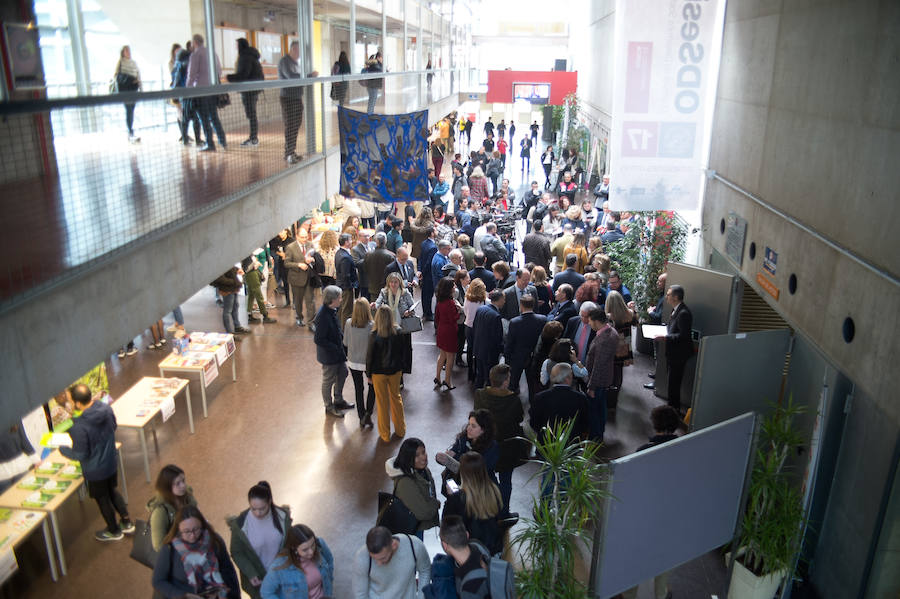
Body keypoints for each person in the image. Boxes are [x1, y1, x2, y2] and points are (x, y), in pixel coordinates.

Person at [620, 406, 681, 599]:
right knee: (663, 556)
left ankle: (629, 594)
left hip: (645, 513)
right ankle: (661, 593)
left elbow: (635, 484)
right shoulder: (685, 449)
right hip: (670, 514)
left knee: (637, 555)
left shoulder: (644, 451)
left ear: (655, 425)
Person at [60, 384, 133, 541]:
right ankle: (127, 522)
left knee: (102, 499)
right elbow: (113, 426)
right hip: (110, 462)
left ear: (78, 404)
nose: (69, 403)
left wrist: (63, 450)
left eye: (70, 401)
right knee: (112, 491)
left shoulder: (79, 426)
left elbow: (81, 454)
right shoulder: (105, 408)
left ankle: (113, 531)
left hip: (95, 470)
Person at [153, 505, 240, 599]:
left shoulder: (214, 540)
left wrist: (223, 590)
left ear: (202, 525)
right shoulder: (169, 549)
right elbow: (158, 581)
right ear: (178, 530)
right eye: (186, 531)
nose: (192, 536)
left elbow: (228, 570)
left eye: (196, 529)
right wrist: (183, 595)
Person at [473, 364, 526, 511]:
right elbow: (519, 418)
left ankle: (485, 509)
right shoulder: (513, 400)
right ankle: (504, 512)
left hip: (485, 445)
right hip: (507, 447)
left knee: (486, 477)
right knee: (505, 481)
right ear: (505, 382)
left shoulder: (479, 394)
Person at [227, 482, 292, 599]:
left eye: (262, 508)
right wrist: (251, 573)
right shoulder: (240, 524)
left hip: (283, 575)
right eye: (253, 509)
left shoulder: (282, 517)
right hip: (259, 581)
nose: (258, 513)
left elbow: (291, 543)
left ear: (269, 502)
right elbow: (237, 552)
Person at [442, 454, 505, 556]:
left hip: (469, 552)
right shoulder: (494, 490)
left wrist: (450, 498)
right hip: (493, 549)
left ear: (463, 473)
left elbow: (448, 525)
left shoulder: (458, 498)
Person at [353, 525, 431, 599]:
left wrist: (422, 596)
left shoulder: (413, 545)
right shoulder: (362, 557)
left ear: (394, 546)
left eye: (382, 558)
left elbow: (425, 570)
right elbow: (360, 595)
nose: (378, 563)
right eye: (374, 558)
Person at [366, 305, 408, 442]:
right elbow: (404, 352)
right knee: (396, 398)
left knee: (382, 403)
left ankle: (385, 434)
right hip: (395, 371)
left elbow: (369, 357)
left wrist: (368, 374)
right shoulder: (399, 331)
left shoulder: (374, 335)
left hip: (378, 373)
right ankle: (400, 430)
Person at [260, 524, 334, 599]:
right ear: (294, 548)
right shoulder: (279, 567)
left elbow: (329, 560)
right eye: (305, 550)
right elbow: (266, 592)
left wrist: (329, 579)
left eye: (312, 545)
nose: (311, 552)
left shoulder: (320, 544)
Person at [313, 285, 355, 418]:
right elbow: (319, 339)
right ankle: (329, 406)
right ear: (332, 300)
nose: (341, 299)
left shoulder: (332, 310)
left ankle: (338, 399)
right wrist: (335, 347)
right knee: (328, 380)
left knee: (343, 372)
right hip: (329, 356)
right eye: (339, 297)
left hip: (337, 353)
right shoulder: (322, 316)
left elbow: (336, 330)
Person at [386, 438, 441, 537]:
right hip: (412, 529)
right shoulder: (405, 483)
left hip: (420, 525)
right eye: (416, 456)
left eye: (423, 452)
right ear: (408, 458)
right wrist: (436, 504)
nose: (423, 457)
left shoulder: (424, 470)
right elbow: (423, 513)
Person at [437, 410, 500, 492]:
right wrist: (446, 457)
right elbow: (455, 450)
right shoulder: (464, 438)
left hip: (478, 490)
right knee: (453, 502)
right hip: (457, 482)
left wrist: (452, 460)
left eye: (473, 426)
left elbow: (476, 472)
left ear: (484, 430)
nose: (468, 429)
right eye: (469, 424)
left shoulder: (491, 448)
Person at [529, 363, 590, 444]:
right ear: (567, 378)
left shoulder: (540, 397)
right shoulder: (580, 398)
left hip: (546, 444)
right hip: (571, 444)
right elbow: (586, 423)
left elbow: (534, 422)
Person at [585, 308, 620, 442]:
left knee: (595, 409)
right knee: (601, 406)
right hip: (604, 378)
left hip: (599, 380)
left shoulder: (605, 338)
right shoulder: (608, 330)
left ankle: (596, 435)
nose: (589, 324)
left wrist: (591, 386)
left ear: (596, 321)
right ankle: (599, 431)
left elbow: (599, 365)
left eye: (590, 321)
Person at [187, 34, 226, 152]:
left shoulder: (195, 55)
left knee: (203, 118)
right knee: (214, 117)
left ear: (194, 43)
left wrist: (187, 90)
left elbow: (191, 74)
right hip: (212, 90)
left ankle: (210, 143)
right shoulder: (212, 53)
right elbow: (219, 70)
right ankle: (222, 140)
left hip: (201, 92)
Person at [657, 285, 693, 412]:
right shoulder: (676, 310)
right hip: (673, 353)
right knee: (672, 382)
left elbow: (683, 336)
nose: (666, 297)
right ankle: (671, 407)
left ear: (676, 297)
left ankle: (673, 409)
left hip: (679, 355)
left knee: (674, 383)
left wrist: (666, 337)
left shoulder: (683, 313)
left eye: (668, 294)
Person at [504, 295, 547, 397]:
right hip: (535, 358)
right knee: (533, 385)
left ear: (521, 306)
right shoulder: (542, 319)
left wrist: (507, 358)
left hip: (517, 357)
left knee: (513, 385)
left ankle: (512, 407)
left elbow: (510, 342)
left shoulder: (515, 322)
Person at [148, 464, 198, 551]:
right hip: (177, 551)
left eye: (183, 481)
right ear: (167, 487)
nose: (183, 486)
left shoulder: (188, 495)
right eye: (177, 484)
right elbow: (158, 546)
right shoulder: (160, 512)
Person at [345, 298, 377, 429]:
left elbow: (346, 342)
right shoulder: (372, 325)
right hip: (368, 364)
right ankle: (369, 413)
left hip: (353, 363)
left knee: (359, 389)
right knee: (372, 388)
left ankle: (361, 416)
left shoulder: (348, 323)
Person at [226, 38, 264, 146]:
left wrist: (229, 78)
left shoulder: (245, 57)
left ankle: (253, 138)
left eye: (236, 45)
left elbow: (243, 74)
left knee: (251, 114)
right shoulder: (251, 55)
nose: (235, 47)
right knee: (252, 114)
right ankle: (253, 137)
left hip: (249, 91)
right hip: (254, 90)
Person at [605, 290, 637, 409]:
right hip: (625, 347)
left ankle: (609, 395)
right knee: (619, 372)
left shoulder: (608, 317)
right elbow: (636, 322)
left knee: (611, 371)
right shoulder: (629, 314)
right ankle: (616, 393)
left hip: (612, 347)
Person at [278, 42, 306, 164]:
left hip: (297, 97)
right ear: (293, 49)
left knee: (296, 125)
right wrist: (308, 76)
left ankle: (291, 151)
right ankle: (288, 153)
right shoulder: (284, 62)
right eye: (299, 51)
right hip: (288, 98)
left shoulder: (296, 63)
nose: (299, 55)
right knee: (290, 125)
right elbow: (291, 76)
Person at [471, 290, 505, 389]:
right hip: (489, 354)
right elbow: (497, 339)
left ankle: (478, 397)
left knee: (480, 376)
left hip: (478, 349)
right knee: (490, 379)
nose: (504, 301)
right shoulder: (496, 316)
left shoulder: (480, 309)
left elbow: (474, 327)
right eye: (503, 299)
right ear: (499, 300)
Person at [283, 229, 317, 328]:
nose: (305, 239)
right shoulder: (290, 247)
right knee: (298, 301)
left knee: (310, 301)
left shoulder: (310, 244)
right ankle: (299, 317)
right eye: (302, 237)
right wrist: (299, 265)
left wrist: (313, 260)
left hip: (309, 278)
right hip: (296, 278)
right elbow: (287, 263)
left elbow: (315, 258)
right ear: (297, 237)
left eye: (306, 237)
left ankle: (311, 322)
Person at [434, 277, 462, 391]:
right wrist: (459, 311)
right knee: (450, 358)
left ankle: (437, 377)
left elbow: (437, 318)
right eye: (453, 286)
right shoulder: (450, 303)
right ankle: (448, 380)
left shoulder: (439, 300)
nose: (455, 287)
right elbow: (453, 318)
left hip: (441, 329)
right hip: (450, 331)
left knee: (442, 355)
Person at [0, 422, 40, 494]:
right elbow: (23, 440)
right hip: (6, 472)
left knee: (26, 496)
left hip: (19, 467)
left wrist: (37, 460)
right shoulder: (11, 415)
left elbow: (23, 439)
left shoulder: (12, 416)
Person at [114, 45, 141, 142]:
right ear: (123, 52)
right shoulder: (121, 62)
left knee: (131, 110)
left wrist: (140, 86)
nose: (128, 52)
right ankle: (130, 130)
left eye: (129, 50)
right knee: (129, 110)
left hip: (133, 89)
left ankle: (130, 130)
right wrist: (129, 80)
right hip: (125, 90)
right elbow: (117, 76)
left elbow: (138, 75)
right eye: (126, 51)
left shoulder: (133, 63)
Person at [463, 278, 487, 383]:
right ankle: (478, 372)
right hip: (479, 328)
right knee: (478, 351)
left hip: (468, 326)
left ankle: (470, 373)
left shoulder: (467, 298)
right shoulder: (483, 301)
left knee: (470, 349)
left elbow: (465, 311)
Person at [336, 232, 359, 324]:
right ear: (346, 242)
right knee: (346, 309)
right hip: (346, 288)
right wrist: (351, 286)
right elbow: (346, 275)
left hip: (341, 285)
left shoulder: (339, 252)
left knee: (342, 308)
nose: (351, 241)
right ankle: (344, 330)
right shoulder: (345, 257)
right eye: (350, 240)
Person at [364, 232, 396, 298]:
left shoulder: (368, 255)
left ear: (376, 241)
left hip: (373, 287)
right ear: (385, 241)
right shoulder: (391, 256)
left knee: (375, 306)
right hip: (387, 288)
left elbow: (365, 269)